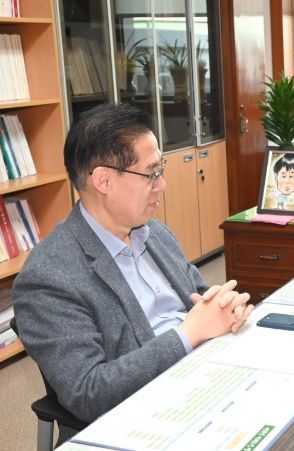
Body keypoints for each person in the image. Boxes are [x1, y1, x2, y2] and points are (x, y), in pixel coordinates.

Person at [12, 103, 253, 441]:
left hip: (206, 378)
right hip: (144, 418)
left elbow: (200, 298)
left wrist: (225, 308)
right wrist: (188, 333)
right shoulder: (49, 277)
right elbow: (88, 392)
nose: (162, 184)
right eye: (151, 174)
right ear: (104, 180)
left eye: (160, 169)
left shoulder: (155, 233)